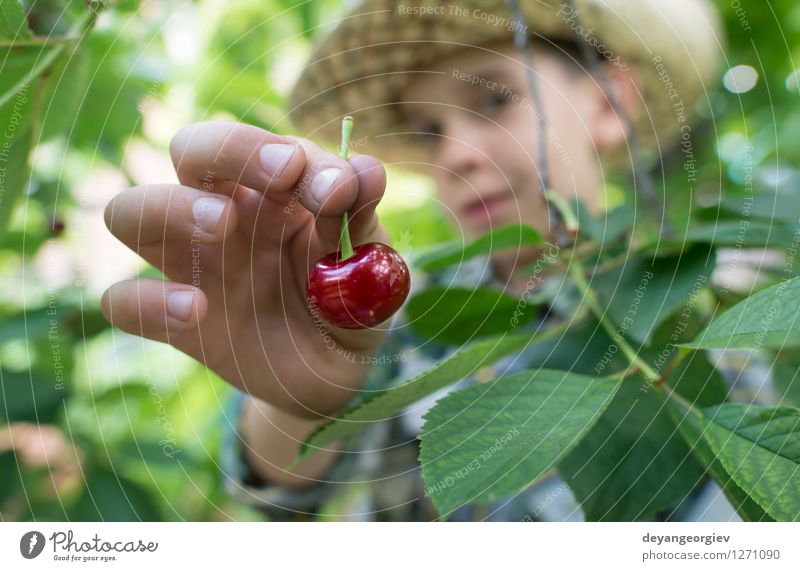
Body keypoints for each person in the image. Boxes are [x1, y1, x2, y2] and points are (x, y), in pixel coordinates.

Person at [101, 0, 736, 521]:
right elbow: (282, 490)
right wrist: (300, 408)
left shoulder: (725, 292)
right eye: (429, 131)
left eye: (494, 101)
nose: (454, 153)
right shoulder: (406, 321)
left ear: (607, 102)